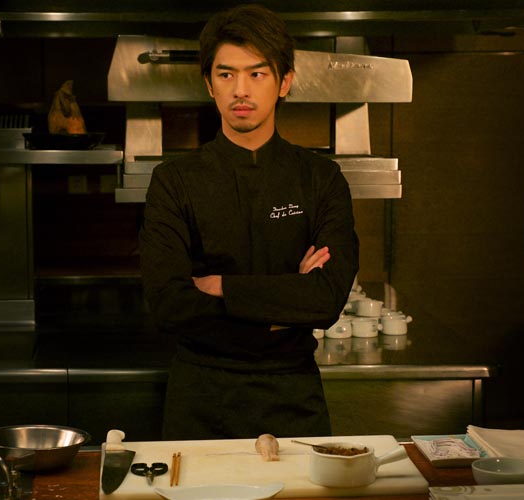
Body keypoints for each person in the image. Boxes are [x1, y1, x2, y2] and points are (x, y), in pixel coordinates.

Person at [139, 3, 359, 440]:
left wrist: (221, 285)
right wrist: (282, 308)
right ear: (209, 84)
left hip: (292, 394)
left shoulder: (320, 178)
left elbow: (326, 300)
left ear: (285, 82)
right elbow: (168, 304)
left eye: (257, 74)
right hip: (200, 397)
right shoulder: (174, 180)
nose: (241, 90)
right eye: (226, 74)